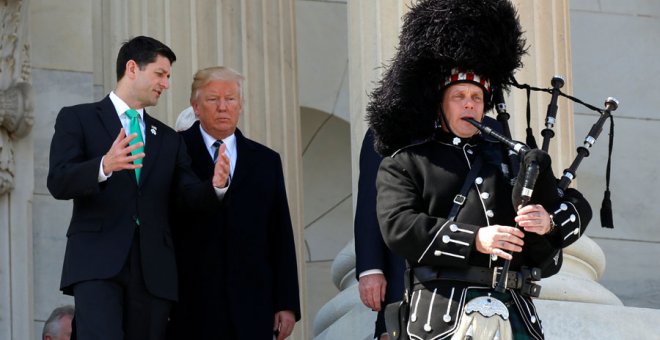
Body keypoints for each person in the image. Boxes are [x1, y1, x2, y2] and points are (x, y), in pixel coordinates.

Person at [366, 1, 593, 339]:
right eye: (459, 95)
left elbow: (575, 205)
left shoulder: (511, 158)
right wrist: (476, 239)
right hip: (442, 316)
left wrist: (548, 223)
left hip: (515, 311)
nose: (470, 103)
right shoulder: (406, 162)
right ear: (440, 105)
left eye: (476, 96)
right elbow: (399, 227)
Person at [47, 36, 230, 340]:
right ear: (132, 68)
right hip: (97, 263)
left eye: (168, 76)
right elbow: (58, 180)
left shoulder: (169, 139)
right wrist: (104, 165)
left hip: (153, 272)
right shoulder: (77, 118)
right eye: (160, 74)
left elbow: (186, 195)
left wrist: (215, 186)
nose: (166, 84)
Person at [167, 66, 300, 339]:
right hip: (190, 300)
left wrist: (286, 303)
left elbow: (280, 234)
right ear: (196, 106)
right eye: (213, 99)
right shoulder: (173, 151)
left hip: (252, 302)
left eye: (230, 99)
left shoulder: (266, 161)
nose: (223, 107)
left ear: (241, 105)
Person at [354, 129, 406, 340]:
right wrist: (370, 268)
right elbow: (370, 200)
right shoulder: (388, 125)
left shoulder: (488, 128)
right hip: (402, 273)